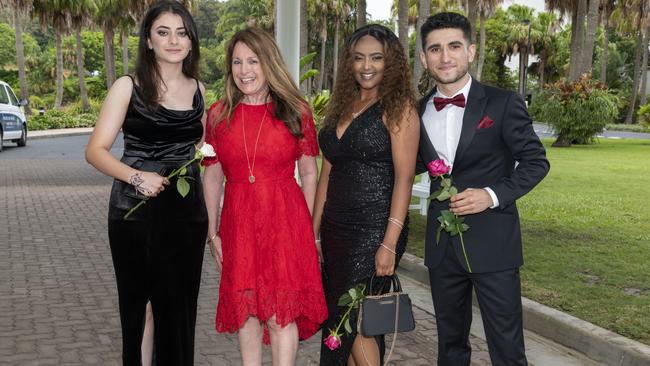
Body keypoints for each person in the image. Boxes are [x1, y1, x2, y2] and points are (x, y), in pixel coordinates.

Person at [417, 12, 550, 366]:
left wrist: (490, 196)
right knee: (450, 344)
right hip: (441, 248)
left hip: (495, 245)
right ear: (423, 57)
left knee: (506, 348)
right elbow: (405, 167)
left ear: (471, 51)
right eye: (435, 49)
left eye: (454, 46)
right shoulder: (415, 112)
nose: (445, 57)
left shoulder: (502, 102)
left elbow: (537, 162)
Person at [85, 1, 207, 364]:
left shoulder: (199, 88)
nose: (174, 41)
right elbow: (95, 150)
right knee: (142, 306)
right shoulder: (128, 85)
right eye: (163, 32)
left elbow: (197, 147)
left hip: (187, 213)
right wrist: (137, 177)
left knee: (179, 307)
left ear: (191, 41)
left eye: (182, 33)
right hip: (135, 213)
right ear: (149, 41)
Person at [201, 27, 328, 366]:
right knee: (247, 314)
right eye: (237, 62)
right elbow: (212, 172)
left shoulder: (295, 110)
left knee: (279, 313)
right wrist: (212, 231)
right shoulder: (218, 114)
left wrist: (310, 229)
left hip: (285, 223)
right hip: (238, 223)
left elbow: (311, 172)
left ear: (269, 62)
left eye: (253, 61)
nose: (244, 71)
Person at [313, 24, 420, 366]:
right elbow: (326, 174)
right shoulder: (342, 105)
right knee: (345, 319)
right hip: (335, 230)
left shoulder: (398, 108)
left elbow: (404, 179)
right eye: (358, 58)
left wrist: (389, 242)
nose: (366, 66)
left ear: (391, 63)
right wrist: (313, 232)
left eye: (376, 57)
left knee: (351, 320)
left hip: (375, 231)